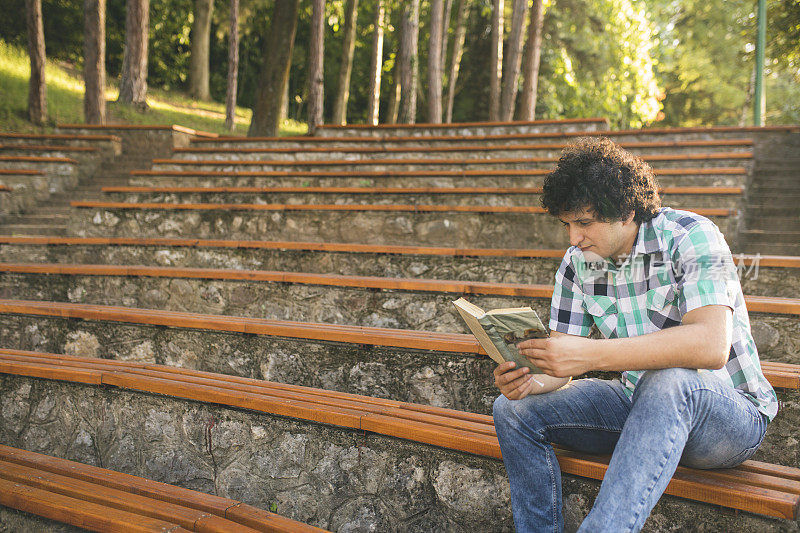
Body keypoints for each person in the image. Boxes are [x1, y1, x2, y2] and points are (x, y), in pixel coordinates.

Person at [492, 137, 778, 532]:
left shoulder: (692, 236)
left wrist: (590, 355)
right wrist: (529, 379)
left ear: (626, 212)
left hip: (728, 416)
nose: (573, 238)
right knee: (511, 411)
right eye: (569, 224)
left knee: (669, 380)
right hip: (635, 404)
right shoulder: (578, 263)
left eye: (585, 223)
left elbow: (711, 345)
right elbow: (561, 363)